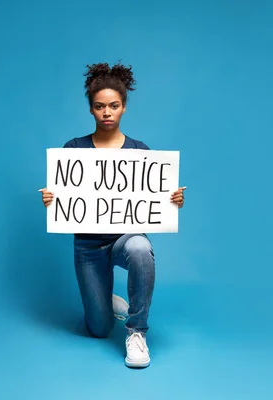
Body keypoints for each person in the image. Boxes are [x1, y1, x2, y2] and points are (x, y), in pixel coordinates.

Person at [39, 62, 185, 368]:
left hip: (123, 238)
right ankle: (106, 303)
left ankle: (137, 332)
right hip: (88, 247)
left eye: (114, 106)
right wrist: (53, 200)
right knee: (99, 329)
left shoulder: (139, 151)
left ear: (124, 108)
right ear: (91, 109)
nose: (107, 112)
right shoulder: (74, 150)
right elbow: (67, 199)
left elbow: (151, 200)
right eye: (100, 106)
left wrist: (171, 200)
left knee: (140, 247)